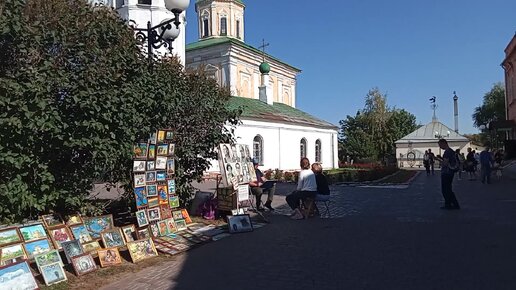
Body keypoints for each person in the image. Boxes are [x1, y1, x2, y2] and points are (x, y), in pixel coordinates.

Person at [435, 139, 460, 210]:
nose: (440, 147)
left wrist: (438, 160)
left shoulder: (447, 152)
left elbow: (445, 163)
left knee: (446, 190)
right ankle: (451, 204)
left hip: (446, 172)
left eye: (440, 145)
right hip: (450, 172)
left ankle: (451, 204)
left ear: (444, 143)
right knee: (448, 189)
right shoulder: (451, 151)